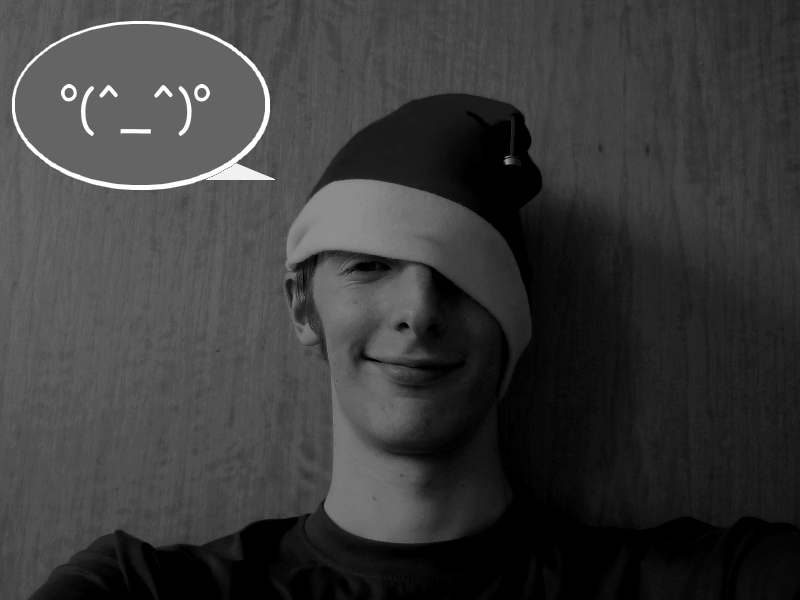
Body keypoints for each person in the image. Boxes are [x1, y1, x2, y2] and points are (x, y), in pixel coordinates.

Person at [28, 94, 800, 599]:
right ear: (302, 306)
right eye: (370, 266)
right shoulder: (138, 591)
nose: (420, 313)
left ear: (515, 321)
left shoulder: (707, 583)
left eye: (463, 275)